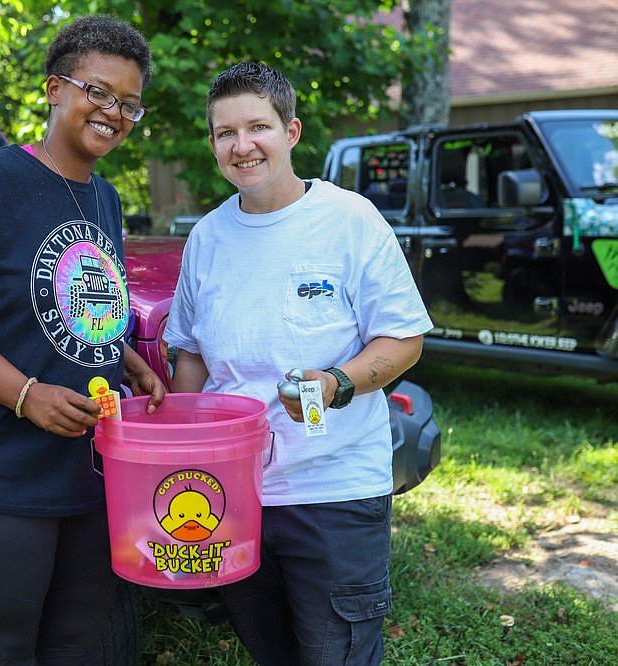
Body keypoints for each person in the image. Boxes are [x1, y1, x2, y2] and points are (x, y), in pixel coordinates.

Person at [0, 14, 164, 665]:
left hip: (87, 473)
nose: (113, 112)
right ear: (54, 89)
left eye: (129, 104)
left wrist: (128, 358)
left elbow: (71, 306)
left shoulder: (105, 199)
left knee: (76, 647)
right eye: (99, 92)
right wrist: (27, 395)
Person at [163, 61, 433, 665]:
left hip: (334, 492)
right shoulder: (207, 237)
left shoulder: (350, 220)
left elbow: (403, 339)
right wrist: (184, 450)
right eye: (225, 133)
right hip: (235, 495)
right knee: (270, 651)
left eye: (257, 127)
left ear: (291, 131)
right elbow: (193, 354)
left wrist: (338, 382)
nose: (242, 146)